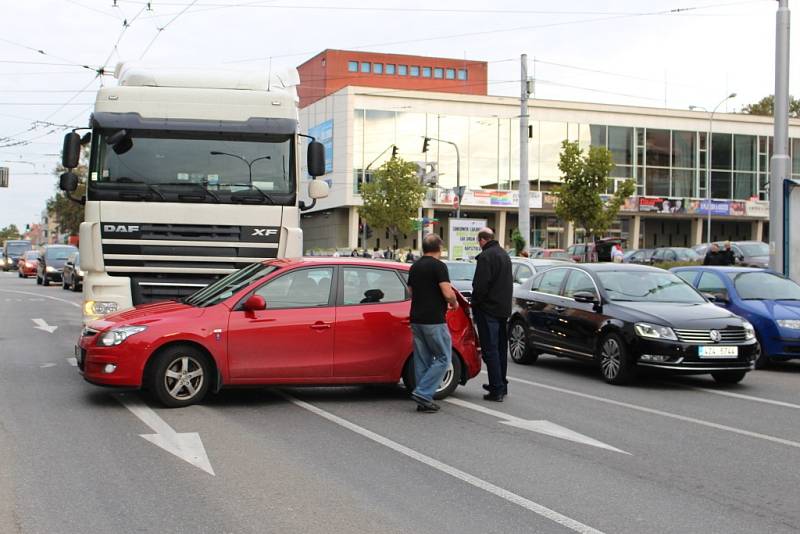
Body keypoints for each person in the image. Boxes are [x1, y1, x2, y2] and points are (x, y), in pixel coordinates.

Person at [407, 234, 458, 413]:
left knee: (422, 359)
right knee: (444, 357)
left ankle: (424, 401)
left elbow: (410, 291)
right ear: (440, 247)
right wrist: (454, 302)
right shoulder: (439, 266)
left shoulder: (414, 266)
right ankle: (423, 393)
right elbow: (446, 291)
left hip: (416, 318)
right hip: (434, 319)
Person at [471, 227, 513, 402]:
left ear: (482, 240)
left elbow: (480, 286)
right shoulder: (505, 255)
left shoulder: (486, 257)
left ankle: (496, 389)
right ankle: (501, 384)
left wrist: (475, 303)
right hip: (503, 309)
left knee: (490, 350)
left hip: (488, 310)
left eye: (478, 242)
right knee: (501, 349)